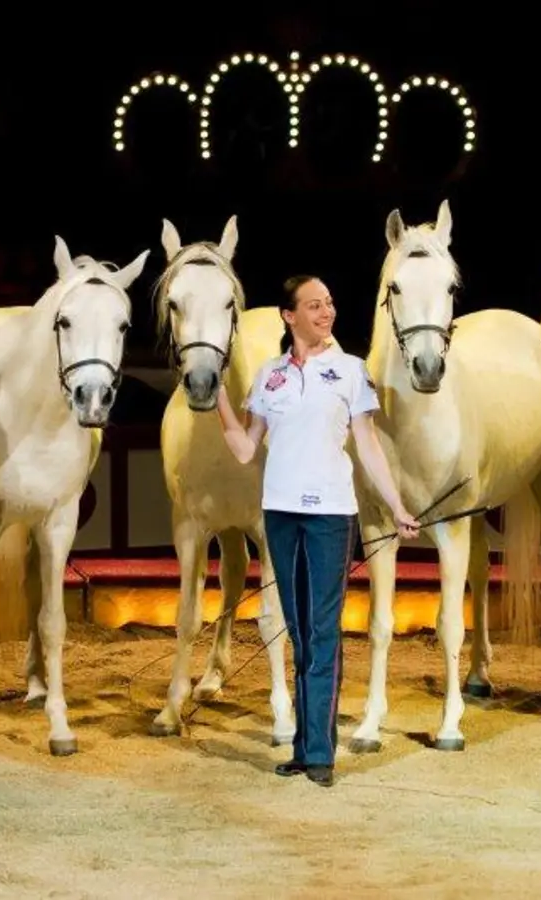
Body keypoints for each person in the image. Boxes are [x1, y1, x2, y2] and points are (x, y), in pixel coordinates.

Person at [215, 274, 420, 787]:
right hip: (280, 513)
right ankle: (305, 747)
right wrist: (216, 392)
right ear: (290, 316)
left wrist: (396, 505)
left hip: (331, 515)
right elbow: (244, 449)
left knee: (323, 630)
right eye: (313, 305)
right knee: (299, 631)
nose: (326, 313)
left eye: (328, 303)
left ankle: (320, 752)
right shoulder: (270, 376)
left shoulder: (351, 372)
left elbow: (368, 445)